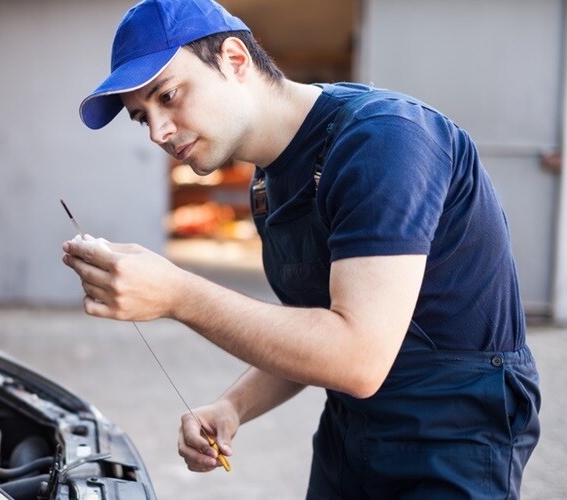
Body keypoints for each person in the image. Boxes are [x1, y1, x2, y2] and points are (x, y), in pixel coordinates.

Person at [62, 0, 541, 497]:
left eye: (169, 95)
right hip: (353, 431)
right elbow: (314, 329)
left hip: (455, 435)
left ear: (234, 59)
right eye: (143, 118)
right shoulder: (270, 183)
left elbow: (355, 356)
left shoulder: (384, 141)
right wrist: (233, 406)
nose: (159, 131)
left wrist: (178, 295)